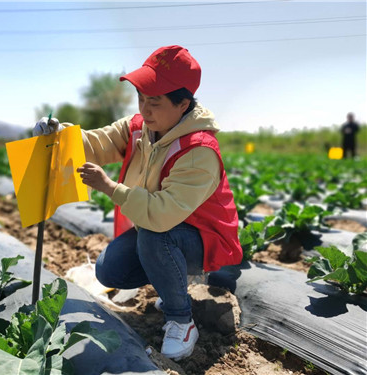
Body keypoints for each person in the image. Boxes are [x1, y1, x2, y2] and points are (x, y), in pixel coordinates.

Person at [32, 45, 242, 361]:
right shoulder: (138, 128)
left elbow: (160, 216)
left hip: (206, 239)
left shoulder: (199, 151)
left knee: (156, 234)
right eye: (141, 99)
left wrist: (110, 187)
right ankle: (169, 283)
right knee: (109, 270)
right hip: (163, 229)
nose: (144, 109)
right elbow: (95, 143)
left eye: (154, 102)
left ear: (183, 103)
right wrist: (58, 134)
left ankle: (181, 320)